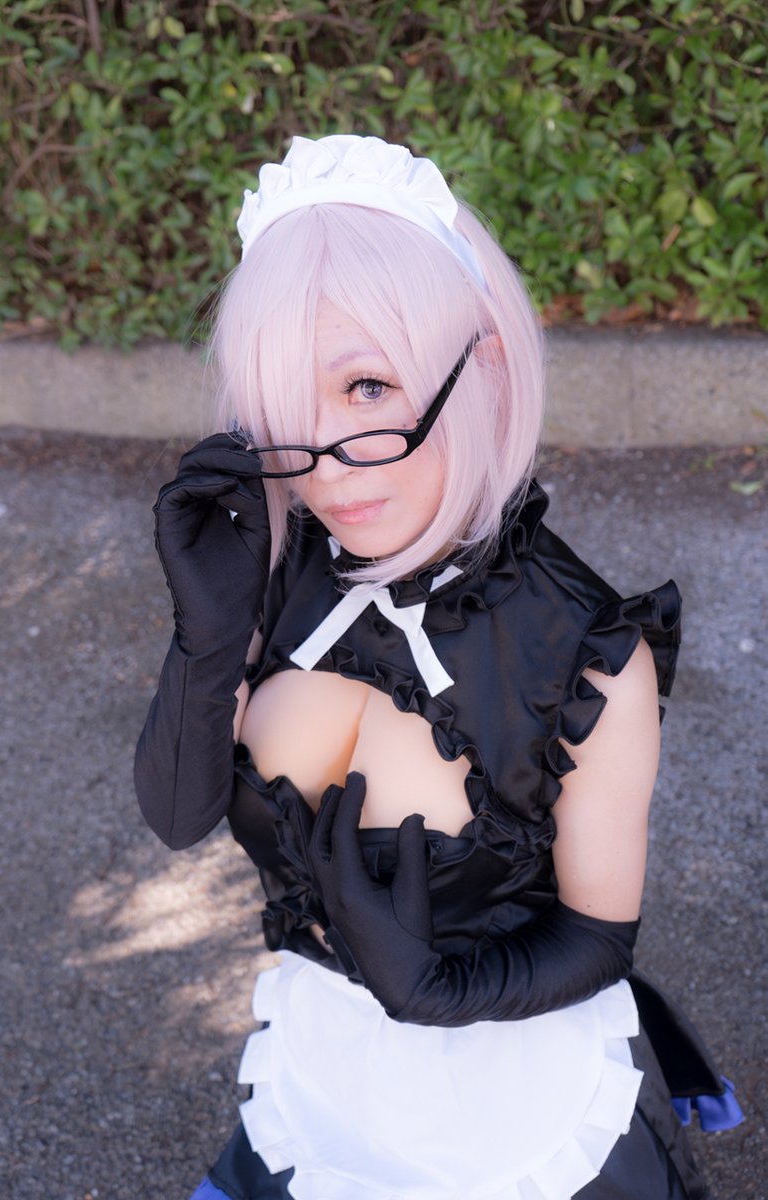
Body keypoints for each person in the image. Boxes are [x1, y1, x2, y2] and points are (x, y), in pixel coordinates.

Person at [134, 135, 742, 1200]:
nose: (327, 467)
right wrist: (205, 638)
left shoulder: (589, 655)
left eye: (368, 386)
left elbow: (598, 937)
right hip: (325, 1074)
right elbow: (180, 814)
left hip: (515, 1110)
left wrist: (442, 993)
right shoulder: (277, 566)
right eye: (284, 407)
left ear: (484, 366)